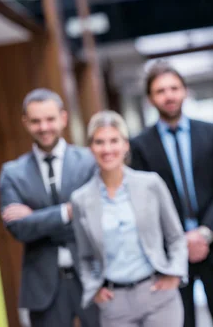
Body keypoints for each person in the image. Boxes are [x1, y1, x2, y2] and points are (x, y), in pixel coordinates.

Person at [130, 62, 213, 327]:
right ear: (150, 98)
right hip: (171, 255)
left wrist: (203, 232)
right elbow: (145, 203)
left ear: (185, 91)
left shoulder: (211, 133)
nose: (168, 95)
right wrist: (181, 240)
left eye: (174, 88)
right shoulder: (140, 145)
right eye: (160, 90)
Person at [71, 110, 187, 327]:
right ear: (90, 148)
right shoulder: (80, 200)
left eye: (114, 141)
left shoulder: (151, 184)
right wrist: (94, 289)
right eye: (99, 142)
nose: (107, 149)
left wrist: (175, 274)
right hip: (115, 304)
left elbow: (175, 237)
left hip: (158, 294)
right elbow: (84, 256)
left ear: (125, 145)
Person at [0, 88, 99, 327]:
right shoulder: (12, 173)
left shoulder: (89, 161)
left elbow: (92, 216)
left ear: (63, 118)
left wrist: (36, 218)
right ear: (25, 122)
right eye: (35, 121)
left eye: (50, 119)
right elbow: (18, 229)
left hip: (92, 277)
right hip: (43, 288)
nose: (44, 127)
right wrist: (66, 212)